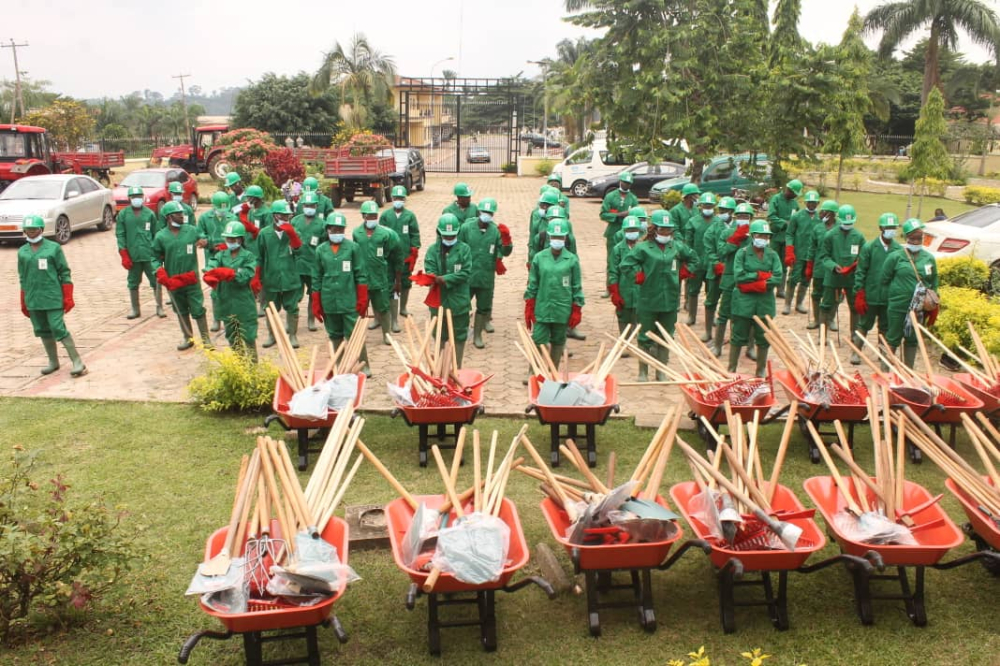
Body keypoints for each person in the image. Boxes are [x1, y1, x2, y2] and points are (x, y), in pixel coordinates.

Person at [620, 210, 699, 380]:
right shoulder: (642, 248)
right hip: (648, 299)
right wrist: (637, 275)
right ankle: (643, 371)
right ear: (653, 229)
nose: (665, 233)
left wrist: (685, 271)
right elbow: (626, 264)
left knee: (666, 335)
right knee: (645, 336)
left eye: (668, 230)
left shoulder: (677, 247)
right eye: (662, 229)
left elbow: (694, 259)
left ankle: (661, 371)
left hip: (670, 299)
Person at [18, 215, 86, 377]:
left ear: (41, 229)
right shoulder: (22, 252)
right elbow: (22, 276)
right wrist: (23, 298)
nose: (32, 233)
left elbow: (64, 272)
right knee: (42, 329)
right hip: (34, 298)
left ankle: (77, 361)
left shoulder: (53, 248)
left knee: (57, 327)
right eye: (28, 230)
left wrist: (68, 295)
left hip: (52, 297)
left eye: (34, 229)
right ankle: (53, 361)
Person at [311, 212, 370, 375]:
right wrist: (316, 301)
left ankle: (364, 364)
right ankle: (341, 366)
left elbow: (361, 274)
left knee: (355, 334)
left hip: (349, 299)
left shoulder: (353, 248)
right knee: (334, 334)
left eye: (340, 229)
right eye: (334, 229)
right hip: (329, 300)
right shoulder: (320, 250)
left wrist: (363, 297)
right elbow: (316, 276)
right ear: (327, 230)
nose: (337, 232)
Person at [524, 218, 584, 378]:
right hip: (542, 307)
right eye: (554, 237)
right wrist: (529, 303)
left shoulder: (571, 260)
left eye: (561, 237)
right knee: (538, 339)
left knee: (558, 340)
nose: (557, 240)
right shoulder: (539, 258)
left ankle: (552, 372)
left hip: (562, 308)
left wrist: (577, 307)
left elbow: (577, 286)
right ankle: (533, 372)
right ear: (549, 237)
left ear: (566, 238)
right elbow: (533, 283)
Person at [152, 201, 212, 351]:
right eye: (178, 214)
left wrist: (204, 241)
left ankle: (206, 340)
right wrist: (159, 272)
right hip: (173, 281)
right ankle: (188, 337)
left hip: (191, 279)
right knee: (180, 309)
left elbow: (203, 236)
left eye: (182, 213)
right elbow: (154, 258)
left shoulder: (191, 230)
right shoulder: (160, 237)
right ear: (169, 217)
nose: (182, 216)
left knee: (198, 308)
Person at [881, 218, 939, 369]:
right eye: (912, 238)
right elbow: (884, 279)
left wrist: (933, 304)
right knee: (893, 338)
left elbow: (934, 282)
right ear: (906, 238)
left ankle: (908, 371)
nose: (915, 241)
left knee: (913, 339)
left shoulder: (929, 258)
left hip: (918, 309)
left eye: (919, 238)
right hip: (897, 306)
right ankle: (885, 372)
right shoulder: (895, 257)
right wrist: (894, 297)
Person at [457, 197, 513, 349]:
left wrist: (507, 240)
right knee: (462, 306)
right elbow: (457, 250)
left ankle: (477, 335)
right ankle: (461, 333)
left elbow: (505, 252)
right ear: (479, 211)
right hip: (467, 277)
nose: (486, 215)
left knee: (483, 307)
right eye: (484, 211)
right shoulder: (466, 228)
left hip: (486, 277)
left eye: (490, 212)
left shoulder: (495, 231)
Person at [729, 220, 783, 377]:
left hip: (764, 303)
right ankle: (731, 369)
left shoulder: (772, 255)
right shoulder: (743, 253)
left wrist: (755, 282)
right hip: (744, 302)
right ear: (752, 235)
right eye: (760, 235)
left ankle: (760, 370)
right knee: (738, 335)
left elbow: (778, 277)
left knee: (764, 336)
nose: (763, 239)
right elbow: (739, 276)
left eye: (766, 236)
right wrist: (761, 276)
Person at [203, 221, 259, 360]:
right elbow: (212, 264)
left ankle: (252, 368)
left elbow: (246, 276)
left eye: (233, 239)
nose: (230, 241)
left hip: (244, 303)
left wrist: (231, 274)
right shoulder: (221, 255)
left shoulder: (248, 256)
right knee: (233, 337)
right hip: (226, 301)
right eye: (228, 239)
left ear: (240, 239)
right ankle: (239, 365)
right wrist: (210, 272)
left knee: (249, 337)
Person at [422, 214, 473, 367]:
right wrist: (431, 278)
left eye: (452, 235)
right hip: (439, 300)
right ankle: (440, 368)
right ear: (439, 233)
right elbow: (430, 270)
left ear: (457, 233)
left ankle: (457, 368)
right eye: (445, 235)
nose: (449, 238)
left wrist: (444, 279)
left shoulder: (464, 249)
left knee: (459, 336)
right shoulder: (433, 250)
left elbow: (465, 272)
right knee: (439, 335)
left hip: (459, 301)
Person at [854, 213, 903, 365]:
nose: (891, 230)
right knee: (864, 324)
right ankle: (856, 351)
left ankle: (883, 353)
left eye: (893, 227)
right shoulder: (869, 247)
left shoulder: (898, 249)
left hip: (889, 296)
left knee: (885, 326)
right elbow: (861, 271)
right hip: (871, 293)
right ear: (880, 228)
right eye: (888, 227)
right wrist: (859, 292)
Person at [354, 200, 401, 345]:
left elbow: (395, 255)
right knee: (360, 308)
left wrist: (397, 280)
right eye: (369, 216)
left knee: (383, 307)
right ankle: (357, 336)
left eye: (375, 216)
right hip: (362, 279)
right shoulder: (357, 233)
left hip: (380, 278)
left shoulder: (385, 234)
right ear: (363, 216)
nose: (372, 219)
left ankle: (386, 334)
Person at [116, 185, 166, 320]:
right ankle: (135, 308)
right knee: (133, 282)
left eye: (139, 197)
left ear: (142, 198)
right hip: (133, 255)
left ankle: (159, 306)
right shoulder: (123, 214)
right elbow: (120, 234)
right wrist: (123, 253)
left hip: (149, 254)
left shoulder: (149, 214)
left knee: (156, 280)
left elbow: (156, 233)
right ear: (129, 199)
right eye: (134, 197)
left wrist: (159, 251)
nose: (136, 199)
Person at [710, 203, 753, 357]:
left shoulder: (755, 236)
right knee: (723, 314)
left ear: (751, 218)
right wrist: (734, 240)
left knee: (749, 314)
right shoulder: (727, 233)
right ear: (735, 218)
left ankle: (750, 347)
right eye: (740, 216)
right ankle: (717, 345)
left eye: (746, 217)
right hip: (729, 279)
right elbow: (721, 252)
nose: (743, 220)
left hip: (749, 280)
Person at [817, 204, 865, 337]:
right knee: (826, 305)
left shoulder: (859, 237)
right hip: (833, 277)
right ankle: (822, 334)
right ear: (840, 220)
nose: (848, 225)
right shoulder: (830, 235)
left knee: (854, 307)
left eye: (850, 222)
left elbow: (864, 257)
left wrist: (856, 265)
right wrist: (833, 266)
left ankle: (854, 335)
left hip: (851, 278)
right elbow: (824, 257)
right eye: (845, 222)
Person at [379, 185, 421, 333]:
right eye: (396, 198)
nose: (398, 201)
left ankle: (403, 307)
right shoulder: (385, 216)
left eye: (401, 198)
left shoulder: (410, 216)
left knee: (405, 281)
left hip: (405, 256)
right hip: (389, 257)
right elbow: (380, 233)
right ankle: (383, 314)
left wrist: (414, 250)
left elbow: (415, 234)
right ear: (392, 199)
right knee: (389, 283)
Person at [607, 215, 643, 375]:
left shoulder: (643, 248)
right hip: (624, 286)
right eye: (629, 230)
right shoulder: (618, 249)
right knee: (623, 314)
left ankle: (635, 341)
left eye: (634, 230)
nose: (632, 233)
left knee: (638, 315)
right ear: (624, 231)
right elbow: (613, 270)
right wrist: (614, 290)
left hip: (640, 287)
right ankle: (624, 342)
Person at [197, 191, 236, 331]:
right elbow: (200, 233)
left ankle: (231, 318)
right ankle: (216, 319)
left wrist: (228, 245)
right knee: (215, 289)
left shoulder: (233, 218)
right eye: (220, 208)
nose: (222, 212)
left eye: (224, 209)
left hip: (229, 256)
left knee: (230, 287)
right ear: (213, 206)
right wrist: (207, 242)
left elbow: (238, 235)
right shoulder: (204, 218)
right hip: (212, 256)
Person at [291, 192, 329, 332]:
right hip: (297, 264)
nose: (309, 208)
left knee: (314, 293)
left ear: (316, 206)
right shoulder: (295, 221)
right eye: (306, 205)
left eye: (312, 205)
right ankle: (292, 320)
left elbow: (325, 246)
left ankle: (311, 319)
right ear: (302, 206)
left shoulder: (322, 224)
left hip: (314, 265)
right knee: (294, 294)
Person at [700, 196, 735, 343]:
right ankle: (708, 332)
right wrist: (716, 263)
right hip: (715, 271)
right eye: (720, 210)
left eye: (725, 210)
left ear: (732, 211)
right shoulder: (713, 227)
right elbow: (708, 247)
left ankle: (733, 336)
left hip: (733, 271)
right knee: (711, 301)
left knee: (733, 303)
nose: (722, 213)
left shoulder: (739, 229)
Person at [599, 172, 639, 298]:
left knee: (629, 259)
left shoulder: (633, 198)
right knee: (611, 260)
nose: (626, 185)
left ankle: (625, 286)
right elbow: (603, 214)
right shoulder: (610, 196)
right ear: (620, 182)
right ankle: (609, 287)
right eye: (624, 182)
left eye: (628, 183)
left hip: (628, 232)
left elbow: (637, 215)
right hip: (613, 232)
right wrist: (618, 215)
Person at [683, 191, 717, 327]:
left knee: (712, 291)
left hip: (712, 263)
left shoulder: (718, 222)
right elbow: (688, 243)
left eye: (710, 206)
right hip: (696, 262)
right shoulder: (693, 222)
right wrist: (688, 261)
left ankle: (711, 316)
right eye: (705, 206)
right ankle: (691, 315)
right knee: (693, 290)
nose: (707, 208)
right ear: (700, 206)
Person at [783, 190, 820, 316]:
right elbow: (789, 234)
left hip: (812, 255)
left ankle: (799, 303)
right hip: (798, 253)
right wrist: (789, 249)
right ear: (805, 202)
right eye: (809, 202)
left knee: (806, 279)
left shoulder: (821, 218)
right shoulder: (797, 216)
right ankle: (787, 303)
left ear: (818, 203)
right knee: (793, 278)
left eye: (814, 203)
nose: (811, 205)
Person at [806, 200, 840, 330]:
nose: (821, 213)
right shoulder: (818, 228)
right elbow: (812, 247)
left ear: (831, 213)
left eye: (824, 211)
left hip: (835, 267)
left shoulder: (840, 227)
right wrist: (809, 265)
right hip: (819, 266)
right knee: (817, 293)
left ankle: (830, 319)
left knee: (835, 294)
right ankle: (817, 320)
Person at [767, 178, 802, 299]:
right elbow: (771, 216)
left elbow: (798, 218)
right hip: (776, 236)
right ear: (789, 190)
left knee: (784, 263)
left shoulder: (794, 204)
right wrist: (784, 223)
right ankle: (769, 286)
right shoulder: (776, 199)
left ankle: (780, 289)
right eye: (794, 193)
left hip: (788, 239)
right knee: (771, 262)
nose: (795, 196)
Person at [528, 188, 560, 265]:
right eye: (542, 205)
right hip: (541, 255)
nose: (544, 208)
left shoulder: (563, 222)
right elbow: (532, 240)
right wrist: (530, 261)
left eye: (547, 205)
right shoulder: (538, 220)